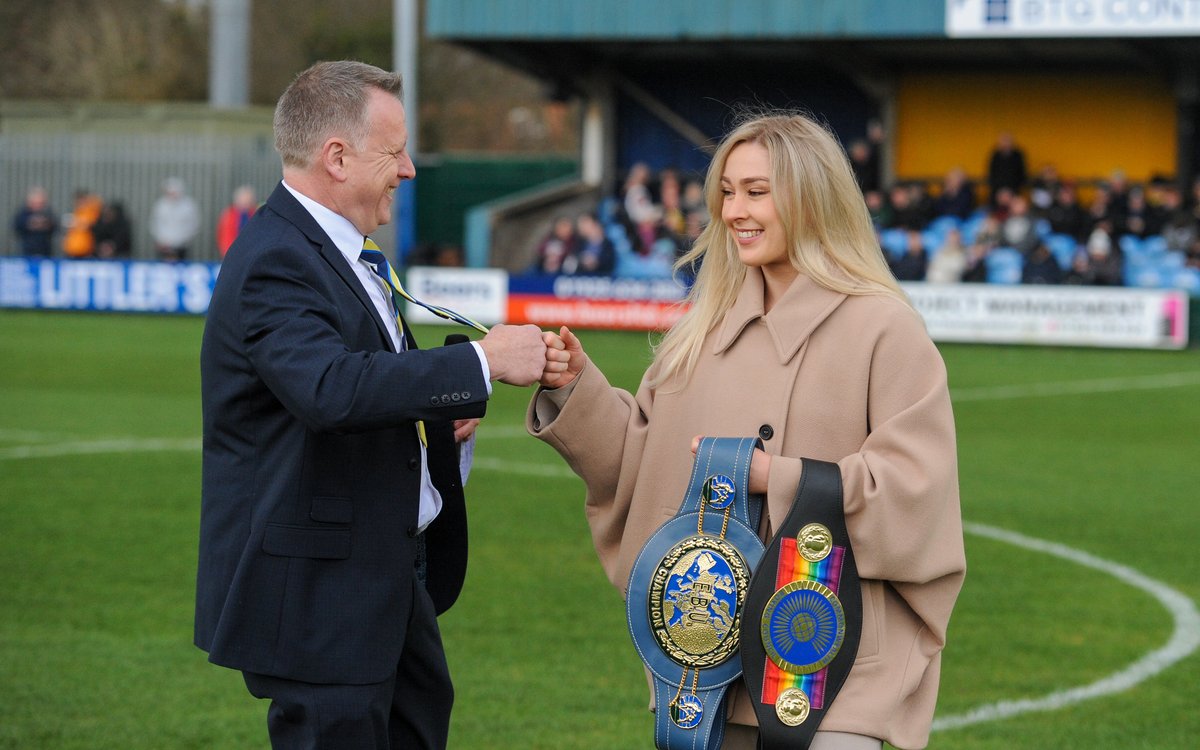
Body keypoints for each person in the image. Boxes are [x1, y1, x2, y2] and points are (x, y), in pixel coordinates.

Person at [533, 113, 964, 750]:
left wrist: (780, 480)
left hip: (831, 677)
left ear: (811, 198)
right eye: (728, 193)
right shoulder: (701, 329)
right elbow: (642, 473)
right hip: (707, 673)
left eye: (756, 192)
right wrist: (574, 388)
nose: (735, 210)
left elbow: (915, 494)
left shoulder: (884, 329)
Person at [195, 60, 554, 750]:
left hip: (382, 579)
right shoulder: (278, 257)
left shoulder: (338, 252)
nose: (411, 169)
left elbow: (360, 391)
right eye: (396, 152)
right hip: (320, 597)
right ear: (337, 157)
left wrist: (435, 426)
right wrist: (481, 361)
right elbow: (327, 388)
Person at [150, 176, 200, 261]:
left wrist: (182, 240)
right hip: (163, 246)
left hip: (182, 246)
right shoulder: (161, 205)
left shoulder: (188, 206)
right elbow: (154, 224)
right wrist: (161, 240)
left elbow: (194, 225)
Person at [12, 186, 58, 256]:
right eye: (36, 202)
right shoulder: (23, 214)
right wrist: (30, 223)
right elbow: (17, 227)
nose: (38, 205)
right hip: (27, 251)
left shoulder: (48, 213)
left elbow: (55, 227)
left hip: (45, 251)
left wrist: (45, 224)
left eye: (41, 203)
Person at [986, 131, 1026, 206]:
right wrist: (1000, 192)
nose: (1005, 143)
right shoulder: (995, 156)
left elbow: (1021, 174)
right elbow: (991, 175)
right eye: (1003, 141)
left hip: (1014, 190)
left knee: (1017, 207)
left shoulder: (1018, 156)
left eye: (1008, 140)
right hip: (997, 191)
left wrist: (1010, 191)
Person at [216, 184, 258, 257]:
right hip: (233, 255)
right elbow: (226, 238)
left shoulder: (256, 214)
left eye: (249, 200)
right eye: (244, 200)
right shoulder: (229, 215)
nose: (246, 203)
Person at [63, 189, 103, 259]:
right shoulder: (76, 213)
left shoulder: (91, 212)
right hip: (72, 249)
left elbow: (90, 224)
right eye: (78, 200)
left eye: (82, 199)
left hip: (86, 249)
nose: (80, 202)